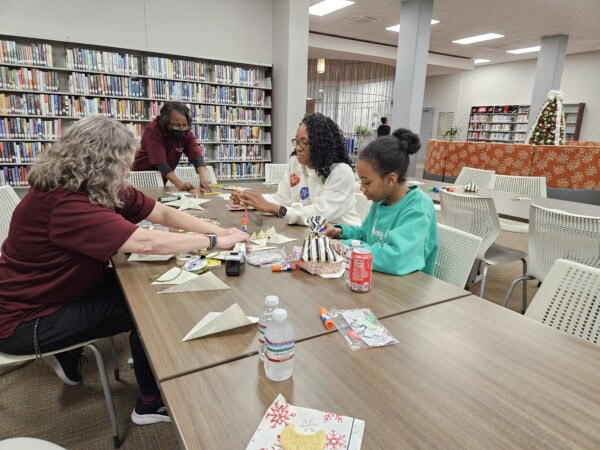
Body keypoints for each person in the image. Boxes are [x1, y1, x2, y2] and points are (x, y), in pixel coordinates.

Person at [0, 117, 248, 426]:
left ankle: (73, 352)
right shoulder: (65, 203)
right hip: (25, 322)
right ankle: (149, 402)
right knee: (148, 308)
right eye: (124, 165)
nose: (127, 172)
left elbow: (161, 211)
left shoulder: (90, 185)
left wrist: (217, 229)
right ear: (103, 163)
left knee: (144, 286)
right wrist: (213, 242)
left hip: (52, 294)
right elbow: (143, 243)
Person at [324, 128, 438, 276]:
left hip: (411, 289)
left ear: (390, 179)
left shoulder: (418, 208)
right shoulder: (381, 201)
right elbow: (366, 234)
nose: (361, 188)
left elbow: (395, 258)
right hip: (379, 278)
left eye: (367, 182)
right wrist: (341, 231)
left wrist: (343, 246)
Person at [231, 112, 361, 226]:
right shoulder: (295, 164)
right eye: (297, 142)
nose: (298, 148)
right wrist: (251, 200)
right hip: (308, 233)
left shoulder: (341, 172)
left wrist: (272, 208)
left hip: (341, 238)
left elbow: (318, 215)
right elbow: (282, 199)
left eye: (305, 142)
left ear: (321, 145)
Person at [133, 101, 212, 192]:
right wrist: (179, 184)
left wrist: (203, 179)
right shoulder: (153, 130)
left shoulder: (185, 132)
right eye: (176, 125)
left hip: (163, 177)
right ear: (165, 122)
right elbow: (160, 162)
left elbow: (196, 155)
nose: (181, 129)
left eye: (184, 125)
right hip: (142, 176)